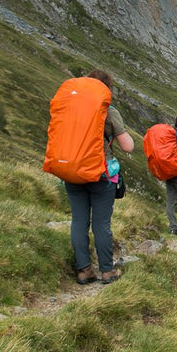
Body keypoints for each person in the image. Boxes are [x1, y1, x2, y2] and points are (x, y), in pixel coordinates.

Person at [67, 69, 134, 285]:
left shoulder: (70, 106)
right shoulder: (109, 110)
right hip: (100, 173)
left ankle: (84, 270)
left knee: (78, 221)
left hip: (73, 171)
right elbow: (127, 146)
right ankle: (107, 271)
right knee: (101, 223)